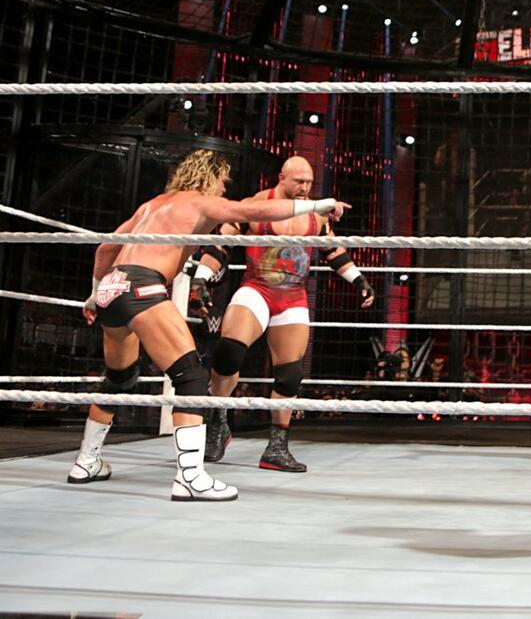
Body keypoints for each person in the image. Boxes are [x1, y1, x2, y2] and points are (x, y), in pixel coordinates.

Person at [68, 149, 349, 501]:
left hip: (113, 287)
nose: (223, 188)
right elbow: (252, 210)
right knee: (192, 377)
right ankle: (190, 477)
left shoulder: (152, 205)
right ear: (211, 178)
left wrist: (95, 296)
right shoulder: (199, 202)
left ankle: (85, 462)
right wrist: (316, 205)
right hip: (143, 286)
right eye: (222, 182)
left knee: (120, 378)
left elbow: (106, 248)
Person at [198, 156, 375, 473]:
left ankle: (277, 447)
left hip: (293, 296)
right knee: (227, 355)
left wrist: (359, 281)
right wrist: (201, 278)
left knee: (290, 374)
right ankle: (219, 421)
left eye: (309, 182)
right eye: (299, 182)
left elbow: (333, 251)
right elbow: (220, 244)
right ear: (282, 178)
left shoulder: (316, 216)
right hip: (256, 288)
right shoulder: (255, 205)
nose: (305, 188)